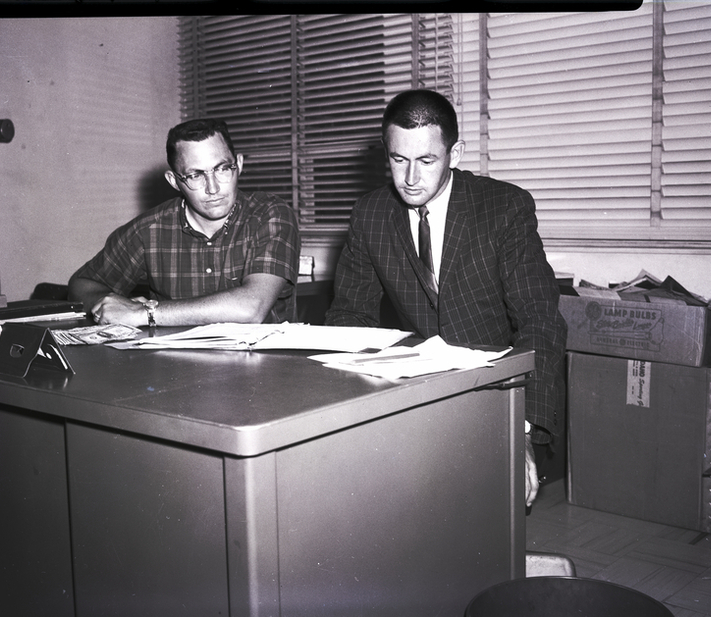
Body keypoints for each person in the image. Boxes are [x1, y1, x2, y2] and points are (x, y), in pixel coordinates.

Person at [325, 90, 567, 508]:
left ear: (455, 154)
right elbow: (350, 316)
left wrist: (521, 430)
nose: (410, 178)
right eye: (398, 159)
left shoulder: (503, 208)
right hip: (417, 392)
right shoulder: (370, 214)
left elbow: (539, 321)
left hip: (498, 394)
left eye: (426, 160)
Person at [69, 118, 300, 327]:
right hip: (176, 360)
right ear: (174, 181)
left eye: (222, 169)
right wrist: (112, 304)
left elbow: (251, 307)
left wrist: (144, 313)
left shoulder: (270, 214)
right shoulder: (149, 229)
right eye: (195, 176)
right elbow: (82, 285)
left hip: (261, 359)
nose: (213, 188)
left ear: (238, 165)